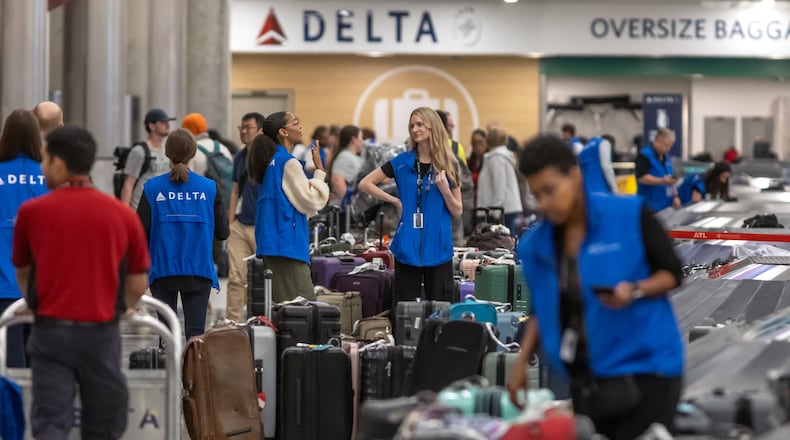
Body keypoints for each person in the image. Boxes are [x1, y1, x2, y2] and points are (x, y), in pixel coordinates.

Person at [507, 134, 683, 440]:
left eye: (550, 190)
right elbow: (542, 306)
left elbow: (672, 272)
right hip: (589, 378)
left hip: (648, 369)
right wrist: (521, 362)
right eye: (537, 195)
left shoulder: (630, 215)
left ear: (574, 175)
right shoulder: (536, 245)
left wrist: (634, 290)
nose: (545, 203)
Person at [12, 125, 150, 439]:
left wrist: (36, 302)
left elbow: (23, 270)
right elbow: (138, 281)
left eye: (45, 159)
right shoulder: (122, 215)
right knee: (103, 424)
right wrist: (119, 308)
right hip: (102, 334)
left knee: (51, 423)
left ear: (58, 163)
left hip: (50, 334)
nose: (42, 166)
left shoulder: (32, 213)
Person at [359, 107, 462, 303]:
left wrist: (445, 190)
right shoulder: (401, 162)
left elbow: (457, 211)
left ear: (433, 128)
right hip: (407, 247)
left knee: (440, 311)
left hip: (439, 247)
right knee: (405, 312)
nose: (415, 129)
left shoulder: (449, 164)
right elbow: (365, 183)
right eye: (412, 125)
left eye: (420, 124)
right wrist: (394, 200)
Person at [137, 128, 229, 340]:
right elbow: (223, 233)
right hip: (198, 271)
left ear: (167, 153)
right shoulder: (209, 188)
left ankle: (169, 371)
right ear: (193, 153)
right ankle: (192, 373)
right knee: (196, 337)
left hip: (162, 272)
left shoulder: (152, 188)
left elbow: (139, 233)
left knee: (166, 335)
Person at [247, 112, 330, 302]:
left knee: (285, 309)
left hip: (274, 244)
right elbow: (312, 200)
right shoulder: (288, 163)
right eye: (295, 123)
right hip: (287, 246)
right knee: (304, 307)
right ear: (283, 132)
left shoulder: (272, 161)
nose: (300, 126)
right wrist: (320, 171)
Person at [0, 110, 47, 368]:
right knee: (39, 359)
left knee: (8, 359)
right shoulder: (48, 175)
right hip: (41, 285)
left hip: (2, 281)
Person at [182, 112, 235, 277]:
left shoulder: (193, 150)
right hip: (221, 202)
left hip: (198, 206)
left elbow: (187, 179)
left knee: (199, 246)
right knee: (218, 239)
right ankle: (220, 265)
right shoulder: (223, 148)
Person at [225, 112, 264, 323]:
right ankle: (233, 322)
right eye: (241, 127)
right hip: (240, 226)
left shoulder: (269, 158)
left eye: (248, 127)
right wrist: (230, 224)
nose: (243, 131)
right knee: (236, 277)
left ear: (260, 130)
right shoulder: (239, 157)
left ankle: (264, 320)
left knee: (264, 278)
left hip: (263, 227)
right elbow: (234, 192)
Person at [121, 108, 176, 209]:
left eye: (168, 122)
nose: (168, 125)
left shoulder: (167, 149)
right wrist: (126, 214)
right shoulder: (139, 151)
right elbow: (128, 184)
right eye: (163, 122)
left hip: (161, 208)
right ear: (152, 126)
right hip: (140, 209)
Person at [435, 109, 473, 245]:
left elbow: (461, 180)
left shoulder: (456, 149)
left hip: (449, 211)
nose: (451, 129)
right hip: (451, 216)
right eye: (450, 126)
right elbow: (465, 180)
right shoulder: (456, 147)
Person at [476, 126, 523, 235]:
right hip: (507, 210)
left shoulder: (496, 158)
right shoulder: (500, 157)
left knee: (503, 246)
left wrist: (495, 215)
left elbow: (499, 187)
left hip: (503, 212)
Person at [636, 128, 679, 211]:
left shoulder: (666, 157)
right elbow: (642, 178)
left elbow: (671, 178)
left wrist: (675, 196)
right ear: (657, 140)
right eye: (666, 145)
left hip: (666, 206)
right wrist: (662, 181)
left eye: (670, 146)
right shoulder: (645, 156)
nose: (668, 149)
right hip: (650, 206)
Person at [328, 124, 365, 207]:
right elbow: (336, 180)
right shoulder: (344, 157)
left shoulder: (355, 157)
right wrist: (349, 204)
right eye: (361, 137)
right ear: (354, 139)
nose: (363, 141)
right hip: (346, 211)